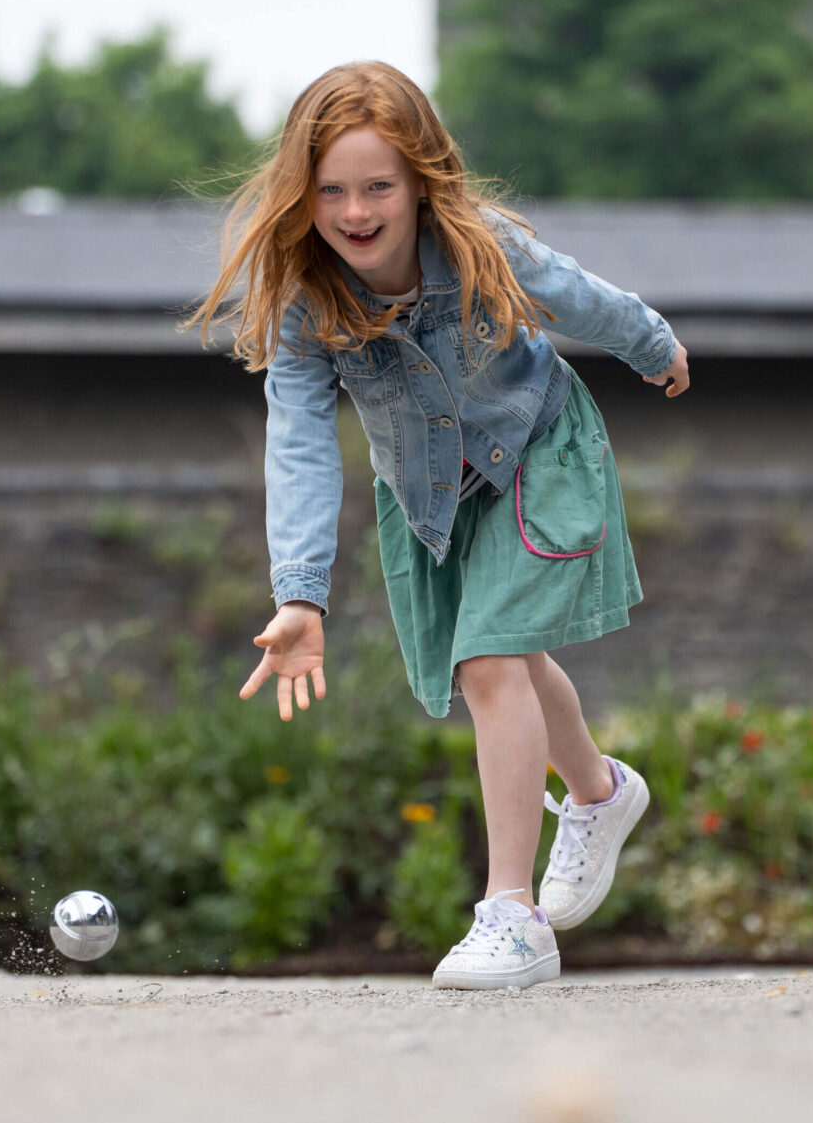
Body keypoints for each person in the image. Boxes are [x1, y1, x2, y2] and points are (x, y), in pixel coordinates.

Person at [191, 61, 689, 989]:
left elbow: (577, 293)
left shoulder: (478, 244)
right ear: (304, 197)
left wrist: (652, 345)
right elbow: (297, 444)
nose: (355, 211)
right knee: (518, 656)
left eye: (378, 186)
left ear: (421, 181)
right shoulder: (306, 307)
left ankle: (512, 915)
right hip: (431, 493)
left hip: (538, 451)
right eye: (331, 191)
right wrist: (299, 595)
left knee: (490, 659)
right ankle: (600, 792)